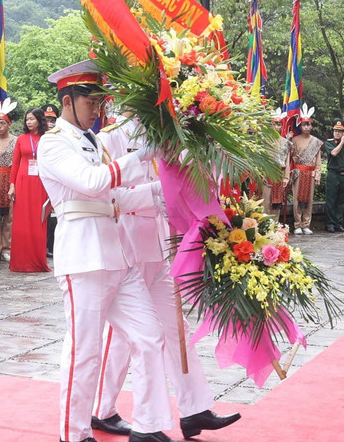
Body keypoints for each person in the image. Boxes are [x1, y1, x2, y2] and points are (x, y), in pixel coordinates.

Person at [38, 60, 171, 442]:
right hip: (83, 257)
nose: (98, 109)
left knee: (149, 336)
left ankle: (146, 425)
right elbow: (93, 183)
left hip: (115, 253)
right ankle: (74, 434)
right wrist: (138, 157)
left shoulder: (91, 141)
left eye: (99, 102)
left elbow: (116, 196)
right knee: (85, 351)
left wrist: (164, 192)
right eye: (90, 102)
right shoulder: (53, 143)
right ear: (67, 101)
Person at [92, 115, 241, 440]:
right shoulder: (113, 135)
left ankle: (194, 408)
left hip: (159, 242)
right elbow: (109, 192)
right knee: (122, 332)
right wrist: (157, 196)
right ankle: (101, 409)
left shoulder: (172, 134)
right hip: (128, 241)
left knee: (176, 327)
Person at [7, 108, 50, 273]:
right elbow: (15, 163)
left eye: (32, 119)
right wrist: (12, 185)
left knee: (39, 219)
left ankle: (38, 261)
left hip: (41, 181)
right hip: (23, 180)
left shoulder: (48, 139)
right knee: (22, 220)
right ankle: (20, 261)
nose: (29, 122)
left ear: (39, 120)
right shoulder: (21, 139)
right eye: (27, 120)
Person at [0, 99, 17, 262]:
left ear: (9, 124)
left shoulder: (15, 140)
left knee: (9, 216)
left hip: (9, 178)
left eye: (2, 123)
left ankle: (7, 247)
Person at [291, 105, 322, 235]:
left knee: (309, 200)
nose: (306, 127)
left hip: (310, 173)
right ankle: (297, 224)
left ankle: (306, 224)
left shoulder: (315, 142)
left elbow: (318, 160)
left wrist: (318, 175)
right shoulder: (294, 140)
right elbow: (291, 157)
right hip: (298, 172)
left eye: (308, 124)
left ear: (311, 126)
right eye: (304, 124)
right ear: (300, 126)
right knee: (297, 199)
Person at [261, 110, 292, 222]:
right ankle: (265, 225)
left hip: (279, 173)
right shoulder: (264, 140)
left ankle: (275, 226)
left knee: (277, 202)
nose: (275, 126)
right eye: (273, 124)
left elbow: (287, 161)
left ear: (281, 126)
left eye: (278, 124)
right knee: (266, 200)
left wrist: (286, 177)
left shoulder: (285, 142)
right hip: (267, 173)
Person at [324, 120, 344, 233]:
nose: (337, 133)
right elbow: (334, 153)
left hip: (343, 176)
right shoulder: (329, 143)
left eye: (340, 131)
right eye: (335, 131)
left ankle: (338, 223)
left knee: (341, 201)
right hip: (333, 175)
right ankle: (329, 224)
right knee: (331, 200)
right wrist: (342, 142)